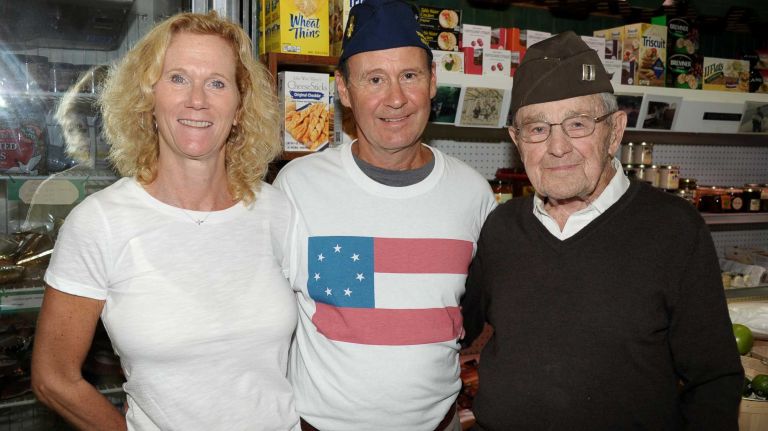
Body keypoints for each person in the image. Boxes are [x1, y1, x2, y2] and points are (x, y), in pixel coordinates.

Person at [461, 31, 743, 430]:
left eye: (577, 124)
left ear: (615, 130)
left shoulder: (674, 230)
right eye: (537, 129)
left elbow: (714, 380)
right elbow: (453, 327)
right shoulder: (501, 228)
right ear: (516, 140)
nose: (557, 147)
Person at [31, 11, 299, 430]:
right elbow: (53, 379)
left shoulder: (277, 211)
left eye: (217, 82)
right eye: (177, 78)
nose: (197, 99)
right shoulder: (99, 223)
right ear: (147, 97)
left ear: (240, 106)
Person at [273, 0, 497, 429]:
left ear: (432, 82)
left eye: (409, 76)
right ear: (343, 89)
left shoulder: (473, 193)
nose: (395, 98)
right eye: (374, 79)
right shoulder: (296, 187)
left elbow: (495, 301)